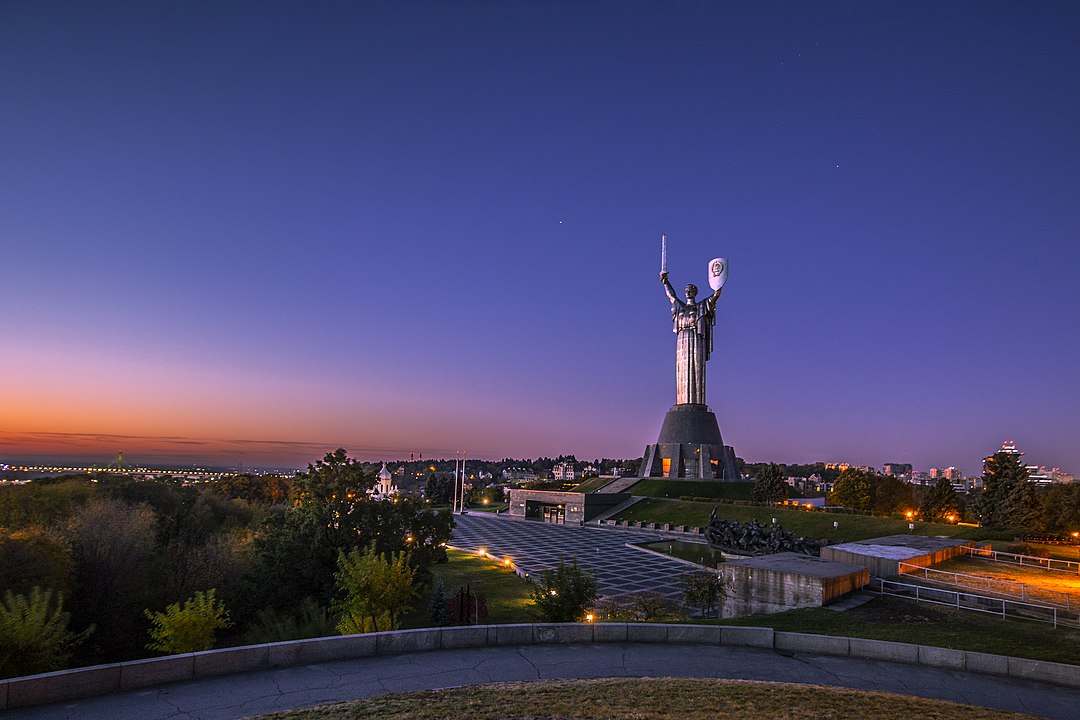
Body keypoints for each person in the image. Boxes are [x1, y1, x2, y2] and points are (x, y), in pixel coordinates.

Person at [660, 270, 723, 405]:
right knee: (682, 370)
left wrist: (718, 282)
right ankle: (682, 402)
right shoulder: (680, 308)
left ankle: (697, 403)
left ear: (695, 292)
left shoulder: (701, 306)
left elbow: (715, 297)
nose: (688, 292)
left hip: (696, 338)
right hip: (682, 339)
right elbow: (671, 296)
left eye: (691, 290)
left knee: (696, 366)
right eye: (686, 290)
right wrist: (665, 282)